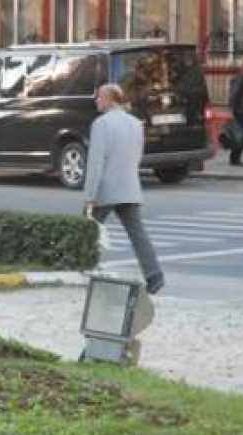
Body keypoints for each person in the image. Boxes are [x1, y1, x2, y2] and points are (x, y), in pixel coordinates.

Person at [83, 83, 164, 294]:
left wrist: (90, 196)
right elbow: (138, 156)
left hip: (106, 189)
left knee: (87, 229)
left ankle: (83, 267)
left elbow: (96, 162)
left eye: (99, 97)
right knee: (138, 234)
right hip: (129, 186)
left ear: (110, 99)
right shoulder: (136, 123)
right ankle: (154, 275)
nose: (96, 101)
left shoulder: (101, 124)